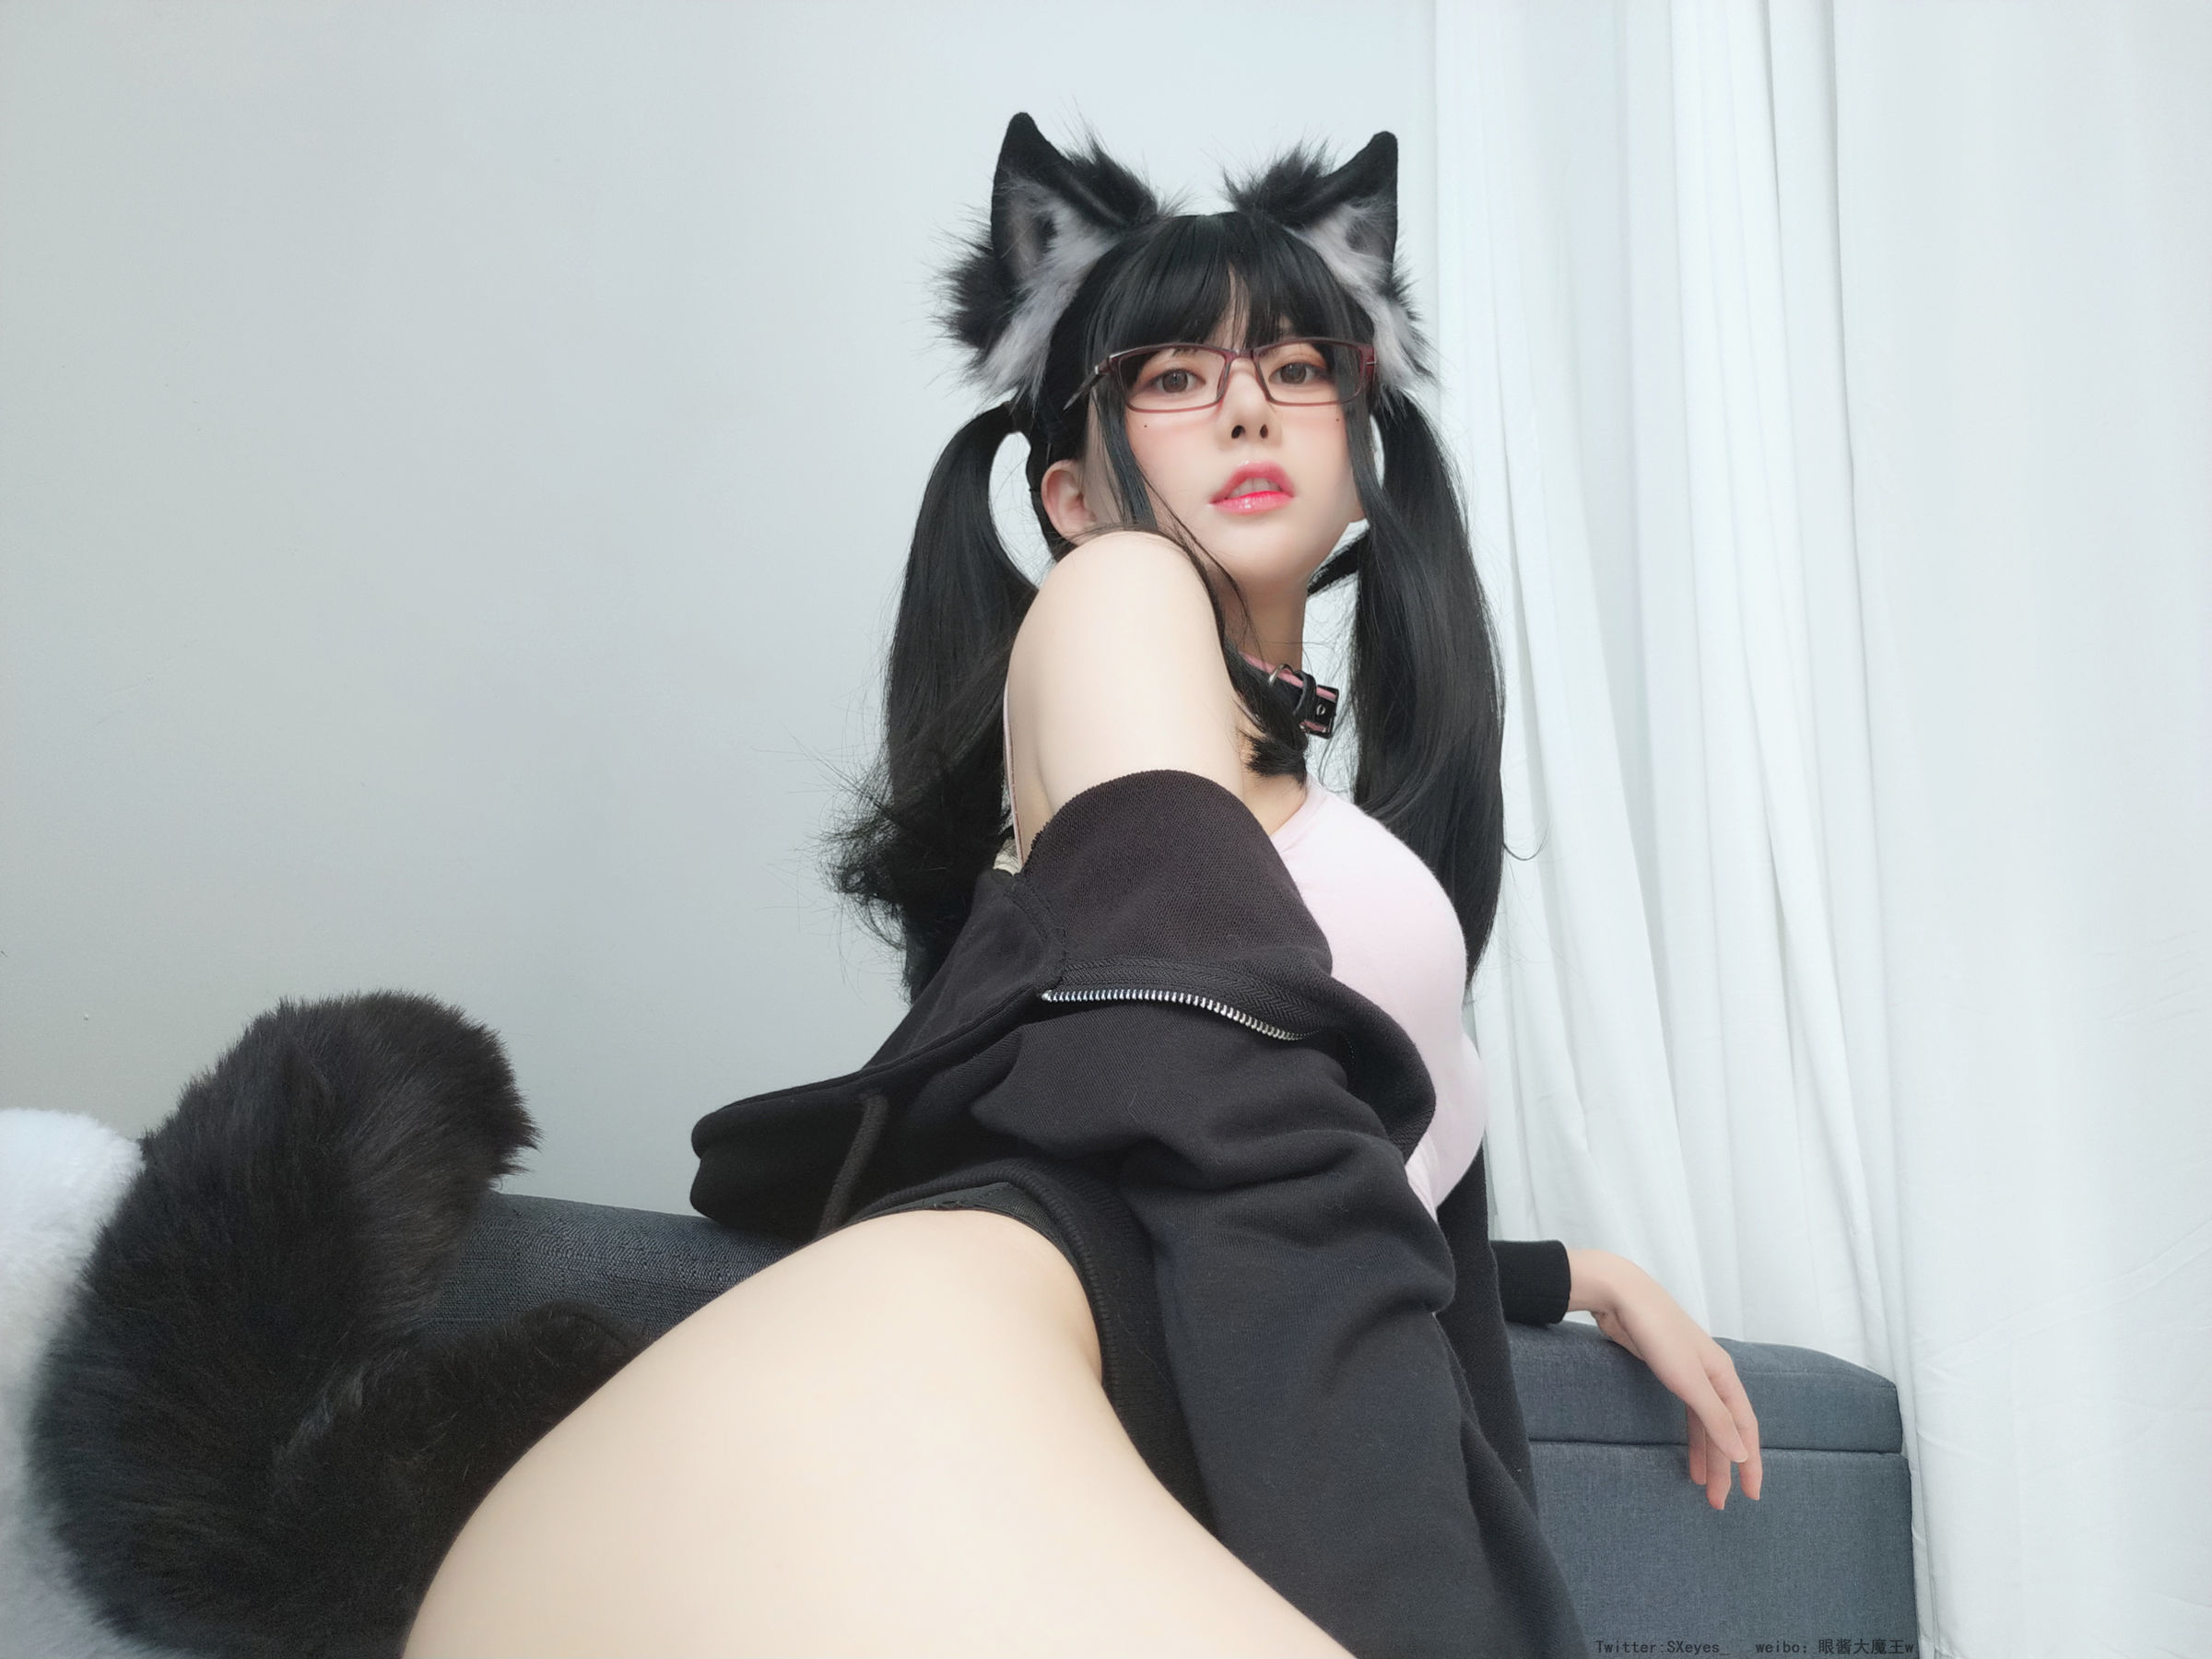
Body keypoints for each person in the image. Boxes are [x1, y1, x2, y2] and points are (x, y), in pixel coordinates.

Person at [404, 114, 1763, 1659]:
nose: (1245, 406)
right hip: (857, 1442)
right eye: (1173, 377)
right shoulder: (1122, 590)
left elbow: (1250, 1158)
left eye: (1297, 366)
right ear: (1068, 496)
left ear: (1361, 452)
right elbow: (1219, 1112)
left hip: (911, 1461)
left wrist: (1561, 1275)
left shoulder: (1300, 806)